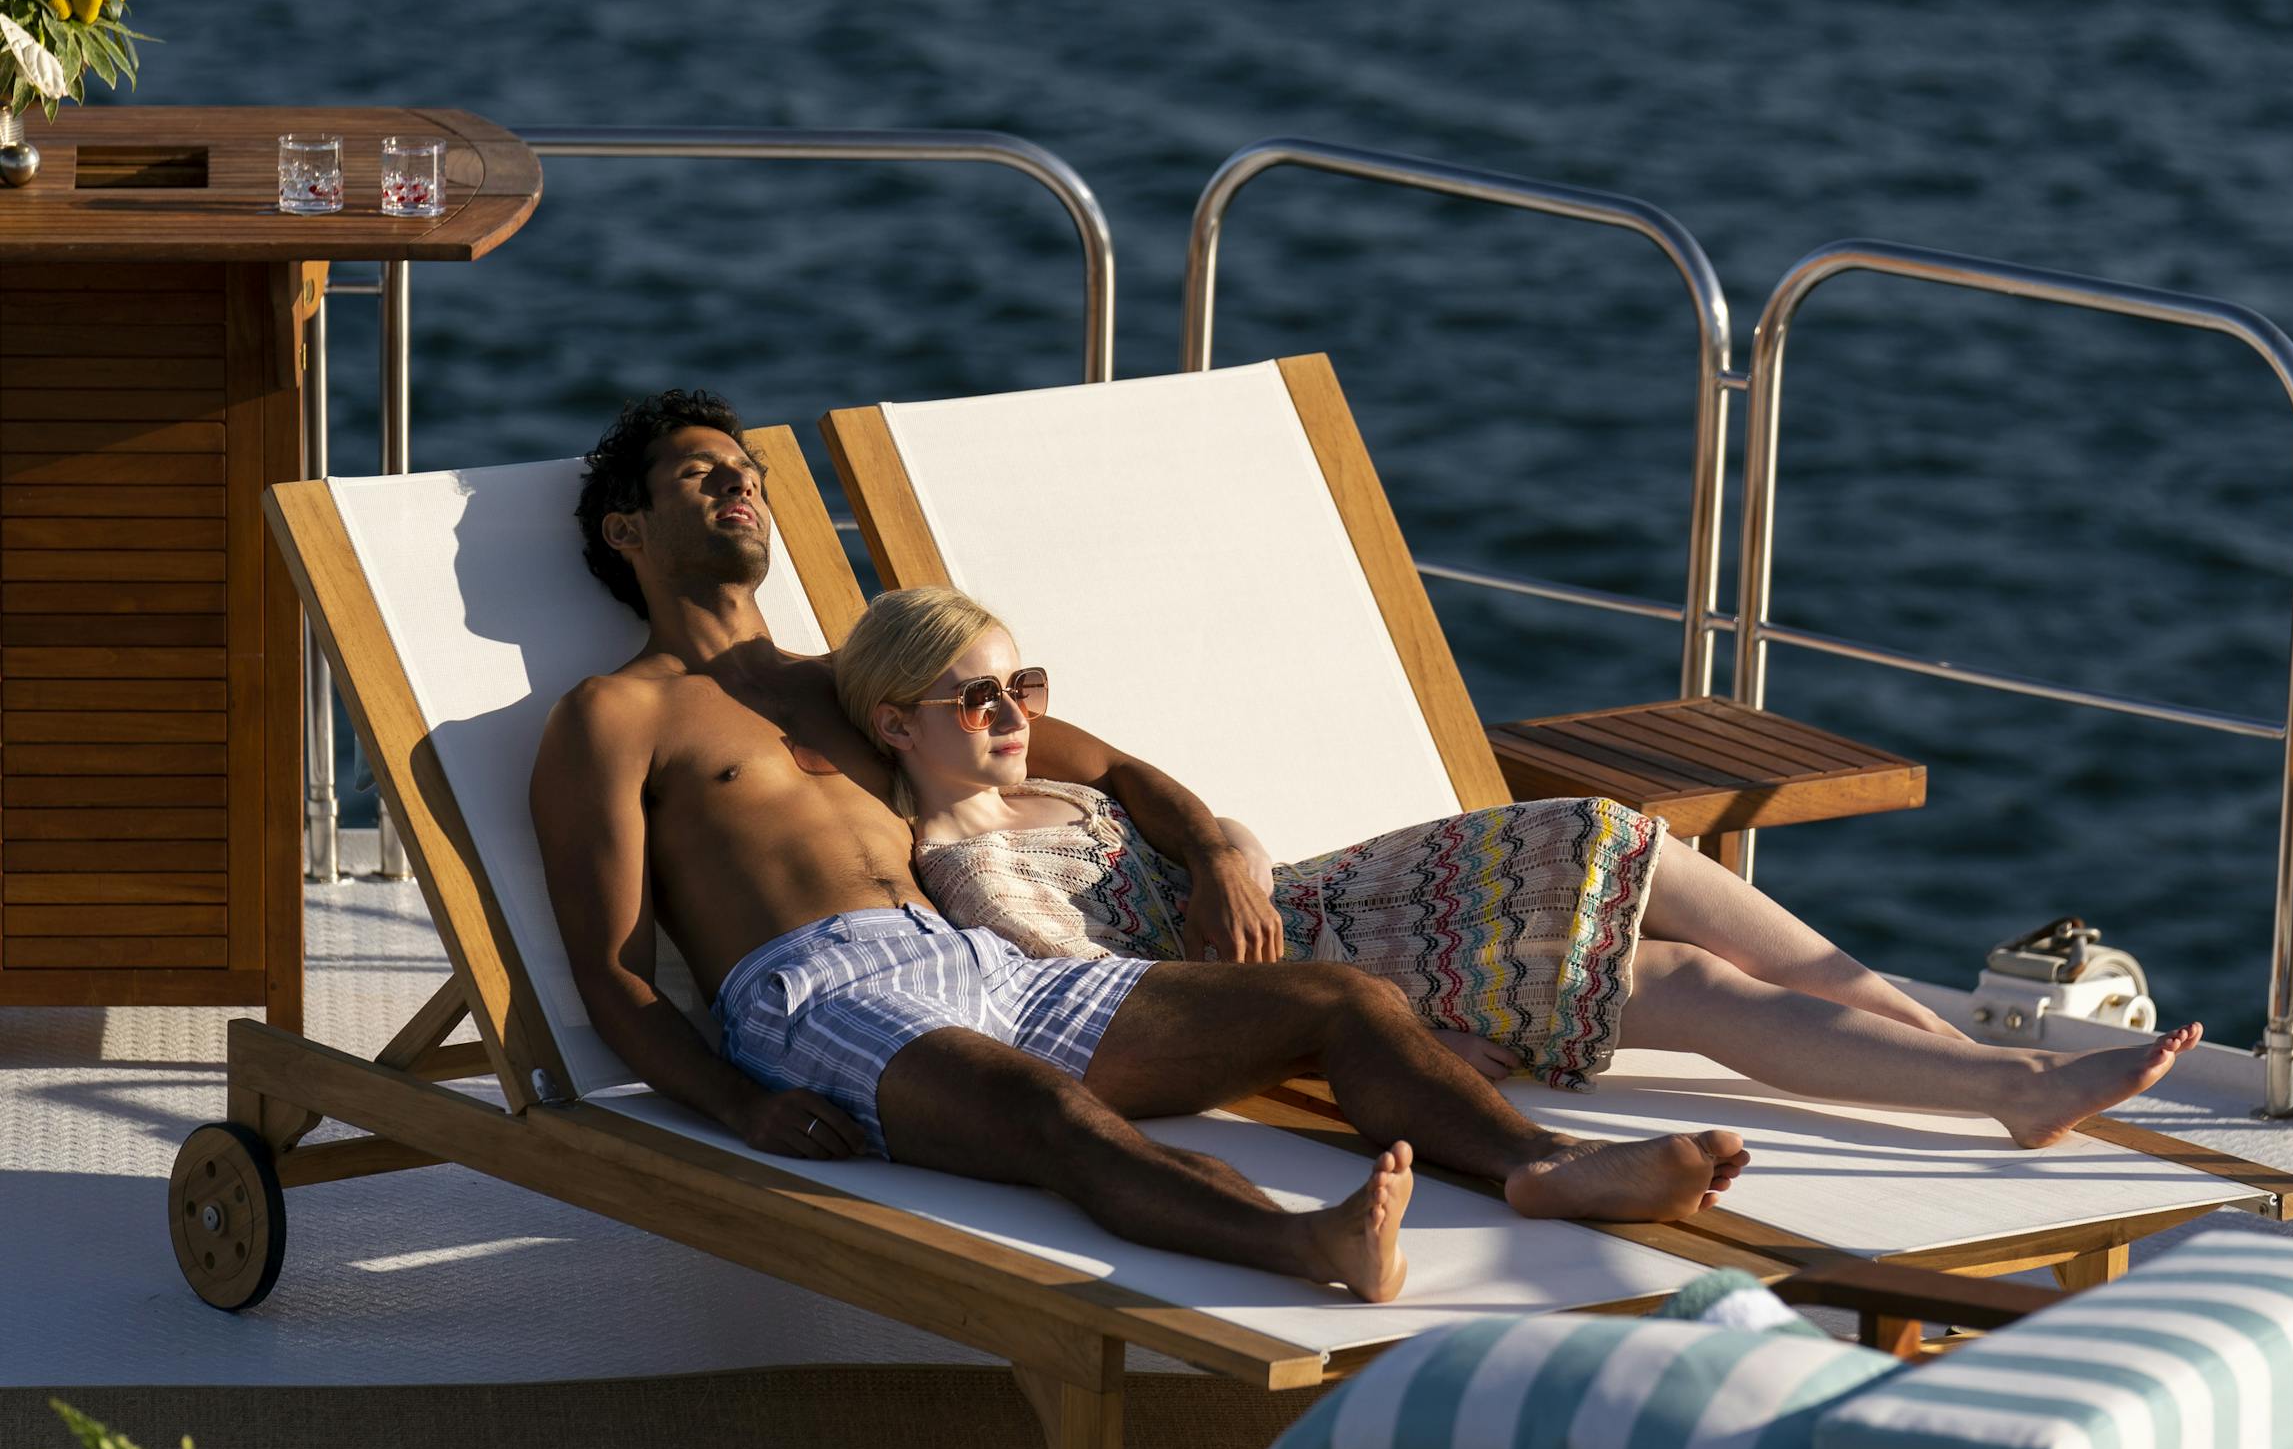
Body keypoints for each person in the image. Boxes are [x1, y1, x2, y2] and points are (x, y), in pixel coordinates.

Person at [528, 389, 1749, 1305]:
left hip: (979, 964)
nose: (739, 487)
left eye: (747, 471)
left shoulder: (857, 685)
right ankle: (1301, 1242)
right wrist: (743, 1104)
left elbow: (1105, 767)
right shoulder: (616, 713)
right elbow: (616, 973)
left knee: (1339, 996)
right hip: (817, 996)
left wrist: (1213, 847)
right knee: (1052, 1116)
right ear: (628, 530)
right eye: (702, 475)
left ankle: (1541, 1166)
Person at [836, 583, 2204, 1150]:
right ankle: (2004, 1090)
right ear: (897, 722)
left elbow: (1214, 829)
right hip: (1326, 971)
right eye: (976, 700)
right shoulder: (960, 865)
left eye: (1020, 683)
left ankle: (1938, 1049)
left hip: (1323, 893)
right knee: (1660, 978)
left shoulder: (1054, 780)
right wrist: (1353, 1055)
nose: (1010, 714)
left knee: (1604, 833)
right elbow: (1123, 1013)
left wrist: (1228, 857)